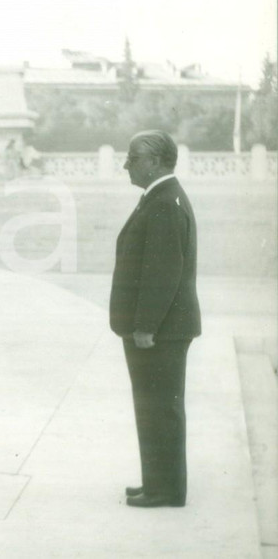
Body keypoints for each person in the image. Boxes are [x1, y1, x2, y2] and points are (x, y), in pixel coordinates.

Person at [110, 129, 200, 508]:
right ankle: (158, 483)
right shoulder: (163, 195)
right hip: (164, 328)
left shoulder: (163, 202)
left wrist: (145, 325)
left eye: (134, 158)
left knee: (159, 408)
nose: (126, 164)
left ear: (156, 161)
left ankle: (164, 489)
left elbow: (162, 272)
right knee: (157, 407)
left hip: (158, 331)